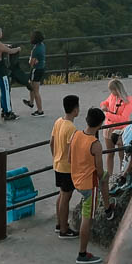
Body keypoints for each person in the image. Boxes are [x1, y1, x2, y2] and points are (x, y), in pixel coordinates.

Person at [69, 107, 116, 264]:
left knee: (102, 178)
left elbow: (70, 158)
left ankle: (108, 208)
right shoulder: (95, 144)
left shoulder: (75, 135)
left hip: (76, 179)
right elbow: (100, 170)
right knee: (87, 217)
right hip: (90, 184)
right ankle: (82, 253)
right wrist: (104, 175)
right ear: (101, 124)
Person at [49, 94, 80, 238]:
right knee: (66, 197)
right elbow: (71, 151)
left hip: (57, 164)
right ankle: (64, 229)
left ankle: (59, 223)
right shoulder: (71, 128)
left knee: (61, 194)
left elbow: (51, 142)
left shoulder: (59, 122)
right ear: (75, 109)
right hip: (67, 168)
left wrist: (55, 156)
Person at [99, 78, 132, 177]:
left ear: (117, 89)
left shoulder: (128, 100)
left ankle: (122, 174)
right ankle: (109, 176)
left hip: (121, 130)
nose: (111, 92)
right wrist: (103, 106)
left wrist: (107, 114)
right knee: (110, 154)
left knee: (122, 154)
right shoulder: (112, 96)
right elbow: (105, 102)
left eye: (112, 90)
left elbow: (123, 118)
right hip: (109, 128)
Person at [0, 25, 21, 120]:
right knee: (6, 91)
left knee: (3, 90)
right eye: (1, 31)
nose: (2, 33)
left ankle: (4, 110)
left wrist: (6, 46)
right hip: (1, 71)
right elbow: (10, 51)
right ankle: (8, 113)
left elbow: (3, 47)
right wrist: (18, 49)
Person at [23, 30, 47, 115]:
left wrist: (30, 58)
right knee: (31, 85)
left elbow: (31, 63)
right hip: (41, 68)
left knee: (35, 90)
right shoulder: (42, 46)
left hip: (36, 70)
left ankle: (40, 110)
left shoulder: (35, 49)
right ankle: (31, 102)